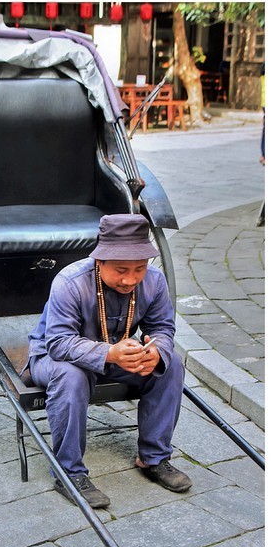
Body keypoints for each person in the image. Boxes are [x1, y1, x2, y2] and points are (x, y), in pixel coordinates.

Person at [28, 213, 192, 508]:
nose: (130, 279)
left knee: (171, 364)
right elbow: (57, 343)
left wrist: (155, 350)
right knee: (71, 375)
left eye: (139, 269)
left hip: (114, 355)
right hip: (53, 358)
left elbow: (162, 329)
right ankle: (69, 472)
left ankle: (154, 458)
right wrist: (109, 353)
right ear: (99, 261)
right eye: (120, 270)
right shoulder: (70, 282)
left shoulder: (154, 282)